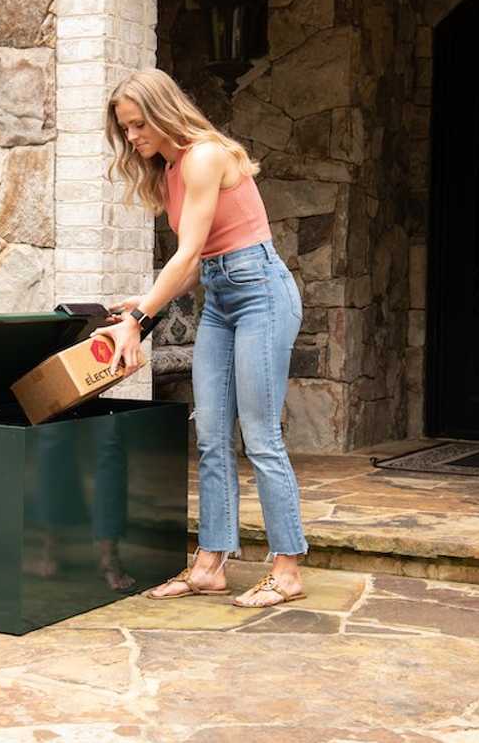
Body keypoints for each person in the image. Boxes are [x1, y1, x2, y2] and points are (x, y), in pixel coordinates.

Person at [94, 68, 309, 608]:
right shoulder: (169, 170)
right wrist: (142, 303)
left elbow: (188, 251)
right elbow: (194, 265)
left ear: (164, 112)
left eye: (140, 125)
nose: (134, 138)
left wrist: (140, 320)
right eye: (127, 130)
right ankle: (211, 564)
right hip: (221, 299)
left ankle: (286, 571)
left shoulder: (207, 155)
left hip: (261, 292)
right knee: (212, 437)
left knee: (261, 437)